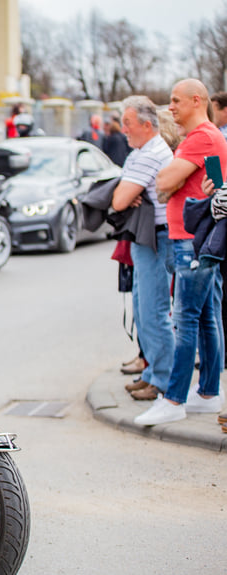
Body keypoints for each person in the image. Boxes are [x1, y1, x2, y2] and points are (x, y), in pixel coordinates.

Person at [135, 79, 227, 426]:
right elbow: (208, 182)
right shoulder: (207, 137)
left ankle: (173, 400)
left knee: (185, 318)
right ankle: (207, 392)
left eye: (176, 101)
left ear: (196, 100)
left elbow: (161, 183)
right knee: (206, 316)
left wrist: (169, 180)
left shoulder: (202, 137)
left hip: (191, 239)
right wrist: (172, 180)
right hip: (198, 238)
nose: (170, 107)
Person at [110, 96, 175, 402]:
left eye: (128, 123)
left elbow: (120, 200)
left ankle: (161, 379)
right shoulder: (142, 151)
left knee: (153, 311)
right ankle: (152, 373)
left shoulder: (149, 154)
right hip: (147, 238)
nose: (123, 129)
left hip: (157, 239)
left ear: (147, 125)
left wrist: (126, 190)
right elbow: (122, 192)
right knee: (143, 309)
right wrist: (125, 189)